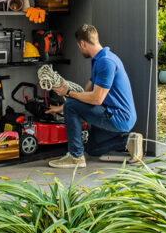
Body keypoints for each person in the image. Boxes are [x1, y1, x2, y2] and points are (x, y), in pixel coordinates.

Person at [47, 24, 143, 168]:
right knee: (92, 149)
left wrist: (67, 93)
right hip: (115, 113)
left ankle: (75, 157)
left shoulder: (106, 62)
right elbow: (86, 92)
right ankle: (129, 140)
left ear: (82, 44)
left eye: (79, 47)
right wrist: (62, 107)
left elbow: (96, 99)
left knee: (71, 106)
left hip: (118, 116)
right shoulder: (100, 58)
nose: (80, 49)